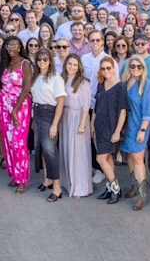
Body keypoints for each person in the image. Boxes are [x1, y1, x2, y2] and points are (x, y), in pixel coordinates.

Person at [0, 36, 33, 192]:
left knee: (19, 143)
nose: (11, 49)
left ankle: (22, 179)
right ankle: (14, 175)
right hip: (4, 104)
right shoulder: (5, 63)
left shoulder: (25, 63)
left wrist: (15, 110)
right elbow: (0, 85)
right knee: (8, 142)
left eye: (14, 46)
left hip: (20, 106)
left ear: (19, 47)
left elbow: (26, 89)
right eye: (8, 46)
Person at [120, 55, 150, 210]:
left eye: (139, 66)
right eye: (132, 66)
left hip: (139, 124)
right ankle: (134, 185)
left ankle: (142, 195)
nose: (135, 69)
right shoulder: (125, 83)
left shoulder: (147, 85)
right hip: (125, 126)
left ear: (143, 68)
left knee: (137, 157)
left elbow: (149, 110)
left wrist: (142, 129)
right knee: (129, 155)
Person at [29, 49, 66, 202]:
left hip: (49, 114)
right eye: (39, 59)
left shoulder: (56, 78)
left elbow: (61, 102)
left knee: (51, 151)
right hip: (37, 113)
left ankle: (57, 188)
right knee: (42, 150)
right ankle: (47, 179)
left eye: (45, 59)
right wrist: (32, 118)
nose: (42, 61)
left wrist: (54, 125)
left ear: (50, 61)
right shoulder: (36, 77)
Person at [91, 56, 127, 204]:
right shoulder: (101, 84)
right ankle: (109, 188)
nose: (106, 71)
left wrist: (118, 131)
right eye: (103, 68)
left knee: (100, 158)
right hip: (99, 125)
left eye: (108, 68)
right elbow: (96, 107)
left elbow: (123, 110)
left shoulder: (120, 86)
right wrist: (92, 124)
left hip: (111, 127)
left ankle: (116, 188)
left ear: (113, 69)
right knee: (107, 158)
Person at [58, 54, 93, 199]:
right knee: (66, 150)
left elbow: (86, 105)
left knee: (78, 153)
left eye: (74, 64)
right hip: (65, 116)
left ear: (78, 66)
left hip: (78, 117)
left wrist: (83, 124)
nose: (71, 67)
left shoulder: (83, 82)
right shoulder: (62, 79)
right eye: (69, 64)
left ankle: (80, 186)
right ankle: (67, 182)